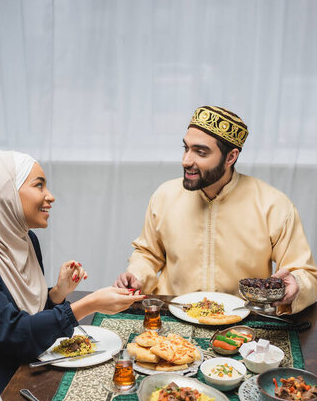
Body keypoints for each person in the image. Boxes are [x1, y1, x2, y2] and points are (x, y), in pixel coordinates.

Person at [0, 151, 145, 392]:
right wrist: (88, 305)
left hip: (29, 367)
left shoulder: (26, 240)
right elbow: (13, 334)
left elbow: (29, 317)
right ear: (4, 194)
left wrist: (57, 295)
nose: (50, 196)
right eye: (39, 186)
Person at [114, 105, 317, 314]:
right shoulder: (165, 195)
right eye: (186, 148)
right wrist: (136, 275)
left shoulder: (272, 204)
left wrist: (297, 284)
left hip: (242, 323)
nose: (186, 161)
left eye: (200, 152)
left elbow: (305, 273)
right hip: (173, 316)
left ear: (231, 157)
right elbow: (148, 253)